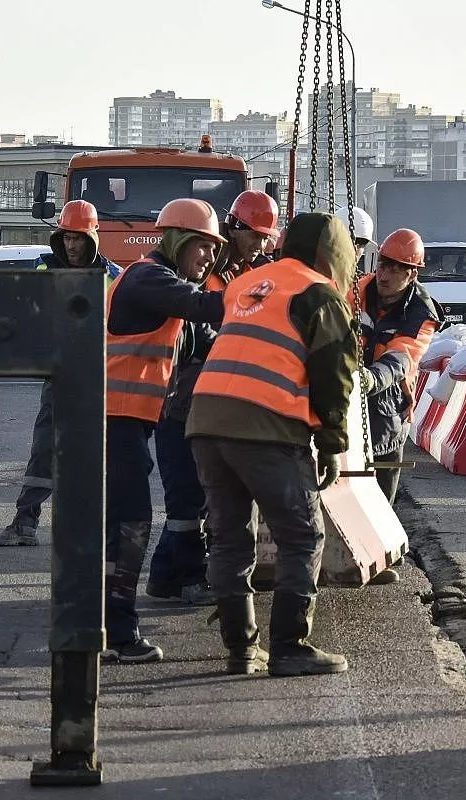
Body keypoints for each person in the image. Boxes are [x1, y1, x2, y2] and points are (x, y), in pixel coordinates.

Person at [188, 212, 358, 677]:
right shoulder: (320, 295)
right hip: (266, 424)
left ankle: (241, 650)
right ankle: (290, 647)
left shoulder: (251, 282)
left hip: (206, 417)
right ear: (335, 253)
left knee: (228, 536)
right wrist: (331, 443)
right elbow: (334, 378)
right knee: (302, 534)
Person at [102, 198, 227, 663]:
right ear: (178, 240)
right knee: (129, 523)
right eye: (204, 247)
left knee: (121, 523)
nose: (209, 258)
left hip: (126, 421)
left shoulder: (159, 285)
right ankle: (117, 632)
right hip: (113, 418)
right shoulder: (148, 277)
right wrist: (265, 295)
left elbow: (203, 337)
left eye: (214, 250)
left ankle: (105, 626)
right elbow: (204, 306)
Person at [146, 190, 279, 605]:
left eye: (264, 239)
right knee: (187, 495)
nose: (259, 245)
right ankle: (178, 577)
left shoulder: (253, 270)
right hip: (185, 395)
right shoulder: (204, 271)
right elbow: (202, 318)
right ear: (234, 228)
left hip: (218, 394)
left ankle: (169, 578)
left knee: (199, 497)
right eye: (253, 236)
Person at [0, 200, 119, 547]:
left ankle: (97, 533)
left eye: (78, 238)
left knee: (101, 455)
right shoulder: (43, 268)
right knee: (44, 449)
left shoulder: (115, 277)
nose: (71, 246)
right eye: (66, 238)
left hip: (101, 379)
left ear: (93, 237)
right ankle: (25, 522)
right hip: (60, 377)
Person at [356, 228, 442, 508]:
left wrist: (369, 379)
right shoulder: (356, 292)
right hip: (345, 404)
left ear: (412, 274)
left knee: (380, 508)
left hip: (387, 411)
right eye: (383, 265)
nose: (385, 275)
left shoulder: (421, 312)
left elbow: (401, 358)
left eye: (396, 269)